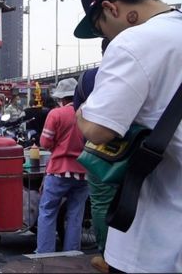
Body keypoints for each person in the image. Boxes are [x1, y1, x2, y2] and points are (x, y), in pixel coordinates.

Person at [74, 0, 182, 273]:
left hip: (157, 240)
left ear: (112, 9)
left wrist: (82, 115)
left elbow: (99, 130)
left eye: (101, 28)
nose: (106, 37)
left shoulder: (135, 41)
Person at [73, 38, 114, 272]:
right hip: (140, 149)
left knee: (100, 203)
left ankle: (106, 255)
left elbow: (78, 117)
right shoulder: (140, 70)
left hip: (98, 153)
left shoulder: (88, 78)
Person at [36, 78, 88, 254]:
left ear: (62, 98)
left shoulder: (56, 114)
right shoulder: (89, 113)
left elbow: (44, 142)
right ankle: (72, 254)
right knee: (75, 215)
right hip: (84, 172)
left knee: (48, 211)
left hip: (59, 171)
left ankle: (45, 254)